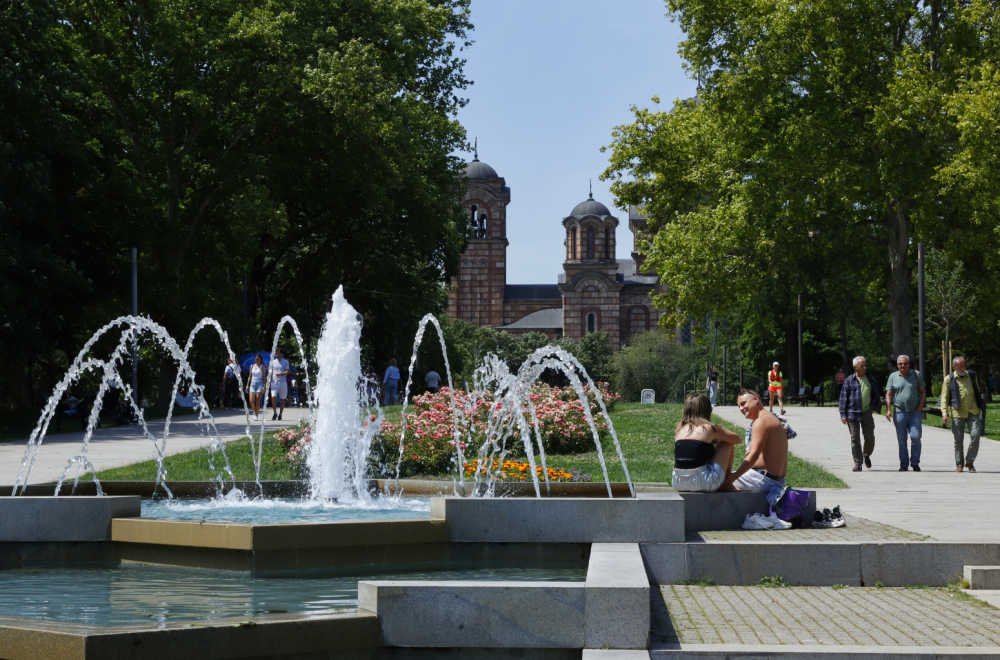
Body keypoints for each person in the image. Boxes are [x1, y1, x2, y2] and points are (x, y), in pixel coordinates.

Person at [671, 394, 742, 493]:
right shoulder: (709, 428)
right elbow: (737, 439)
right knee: (727, 442)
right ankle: (727, 483)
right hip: (703, 482)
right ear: (708, 410)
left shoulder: (679, 428)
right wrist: (717, 439)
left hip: (677, 481)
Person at [727, 389, 789, 493]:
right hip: (774, 480)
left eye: (743, 404)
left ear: (755, 399)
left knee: (714, 482)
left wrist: (733, 477)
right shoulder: (771, 418)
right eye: (739, 406)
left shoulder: (761, 421)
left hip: (762, 479)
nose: (741, 409)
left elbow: (754, 454)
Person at [940, 356, 985, 473]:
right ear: (954, 367)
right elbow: (944, 397)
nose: (962, 368)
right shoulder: (949, 379)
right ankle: (959, 464)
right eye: (959, 366)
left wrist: (980, 405)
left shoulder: (972, 376)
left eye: (963, 365)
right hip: (957, 413)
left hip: (973, 411)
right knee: (958, 440)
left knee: (976, 435)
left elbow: (977, 391)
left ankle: (970, 461)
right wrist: (945, 413)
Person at [839, 356, 882, 472]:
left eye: (865, 364)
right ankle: (858, 463)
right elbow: (843, 398)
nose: (864, 367)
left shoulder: (870, 379)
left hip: (866, 412)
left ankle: (866, 454)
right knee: (855, 438)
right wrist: (843, 414)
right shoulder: (849, 380)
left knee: (870, 437)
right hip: (852, 413)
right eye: (862, 365)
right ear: (855, 367)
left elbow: (876, 394)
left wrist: (874, 406)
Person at [885, 355, 926, 472]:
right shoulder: (893, 376)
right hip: (899, 412)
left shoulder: (916, 375)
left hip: (914, 412)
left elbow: (923, 392)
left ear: (909, 364)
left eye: (904, 363)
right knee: (902, 440)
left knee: (916, 437)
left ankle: (915, 463)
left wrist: (920, 407)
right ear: (897, 365)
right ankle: (903, 464)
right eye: (900, 364)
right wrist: (888, 409)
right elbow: (889, 394)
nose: (902, 366)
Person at [270, 348, 290, 421]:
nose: (277, 355)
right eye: (276, 353)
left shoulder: (285, 362)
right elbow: (271, 372)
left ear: (282, 354)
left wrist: (281, 374)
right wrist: (269, 380)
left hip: (283, 382)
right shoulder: (273, 362)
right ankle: (275, 412)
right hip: (274, 382)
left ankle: (280, 414)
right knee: (273, 397)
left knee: (282, 400)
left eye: (279, 353)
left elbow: (287, 371)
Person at [245, 353, 266, 421]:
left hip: (260, 382)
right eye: (256, 359)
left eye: (258, 359)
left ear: (260, 359)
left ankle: (256, 415)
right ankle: (255, 410)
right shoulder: (252, 366)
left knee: (257, 400)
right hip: (253, 383)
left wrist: (264, 386)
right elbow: (249, 376)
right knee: (251, 400)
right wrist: (247, 385)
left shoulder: (262, 367)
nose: (257, 360)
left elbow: (264, 377)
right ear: (255, 359)